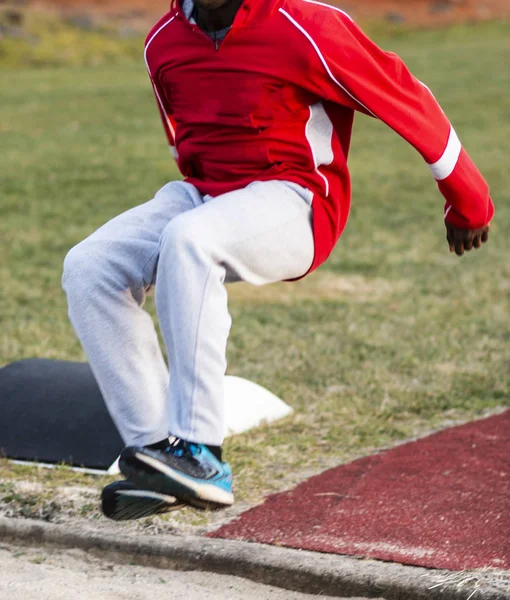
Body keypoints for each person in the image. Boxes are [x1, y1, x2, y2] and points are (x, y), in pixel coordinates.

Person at [62, 0, 493, 521]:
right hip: (207, 195)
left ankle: (201, 454)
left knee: (190, 240)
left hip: (301, 201)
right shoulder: (163, 44)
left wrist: (467, 200)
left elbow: (405, 98)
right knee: (90, 266)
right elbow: (183, 143)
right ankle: (160, 456)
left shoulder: (306, 25)